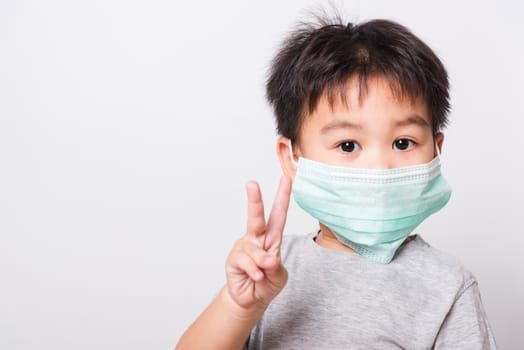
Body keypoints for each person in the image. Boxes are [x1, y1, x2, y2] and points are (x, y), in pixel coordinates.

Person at [176, 14, 498, 349]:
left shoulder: (447, 287)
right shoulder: (269, 268)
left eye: (403, 143)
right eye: (348, 145)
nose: (379, 167)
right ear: (293, 158)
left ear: (436, 150)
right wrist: (239, 306)